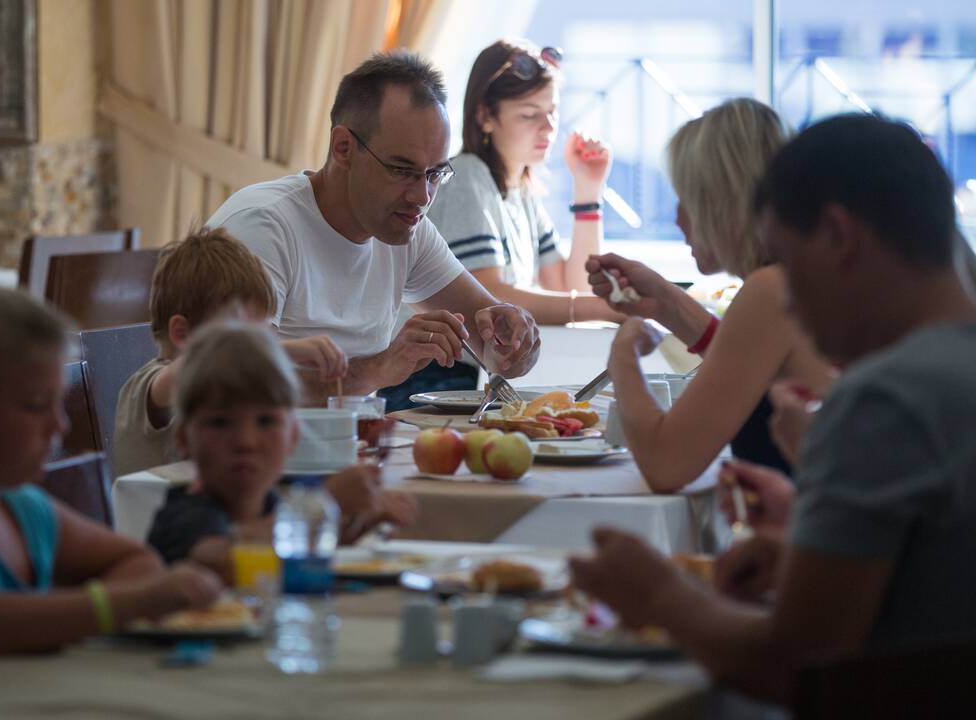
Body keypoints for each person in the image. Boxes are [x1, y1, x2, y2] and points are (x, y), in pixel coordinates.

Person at [571, 114, 976, 705]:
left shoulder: (883, 401)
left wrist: (659, 594)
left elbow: (794, 667)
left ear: (838, 236)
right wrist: (806, 559)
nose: (789, 300)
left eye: (788, 263)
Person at [0, 283, 222, 682]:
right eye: (36, 405)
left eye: (59, 402)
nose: (60, 425)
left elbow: (135, 559)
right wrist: (113, 607)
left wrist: (66, 617)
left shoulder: (21, 506)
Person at [205, 52, 540, 402]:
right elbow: (233, 385)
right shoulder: (263, 227)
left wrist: (516, 343)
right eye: (401, 169)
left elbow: (493, 346)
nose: (422, 196)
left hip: (353, 446)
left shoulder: (407, 228)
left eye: (435, 174)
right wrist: (378, 368)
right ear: (344, 147)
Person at [587, 98, 834, 491]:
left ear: (720, 202)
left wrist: (623, 359)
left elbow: (665, 465)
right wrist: (665, 303)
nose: (677, 217)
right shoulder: (799, 277)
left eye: (686, 197)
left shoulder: (770, 290)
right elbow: (751, 368)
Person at [380, 40, 623, 409]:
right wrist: (602, 308)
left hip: (474, 375)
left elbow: (569, 284)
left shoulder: (519, 191)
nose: (548, 128)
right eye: (529, 115)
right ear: (485, 116)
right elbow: (492, 294)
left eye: (552, 113)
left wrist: (588, 191)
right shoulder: (467, 179)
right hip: (433, 379)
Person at [146, 322, 417, 574]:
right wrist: (322, 503)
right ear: (184, 440)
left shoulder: (272, 505)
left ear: (293, 437)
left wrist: (353, 526)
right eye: (220, 423)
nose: (246, 441)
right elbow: (222, 561)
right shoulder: (187, 515)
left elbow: (287, 556)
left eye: (266, 422)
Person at [113, 226, 347, 477]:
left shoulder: (224, 392)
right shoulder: (150, 387)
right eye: (242, 335)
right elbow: (196, 366)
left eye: (262, 333)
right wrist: (279, 351)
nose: (250, 350)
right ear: (182, 333)